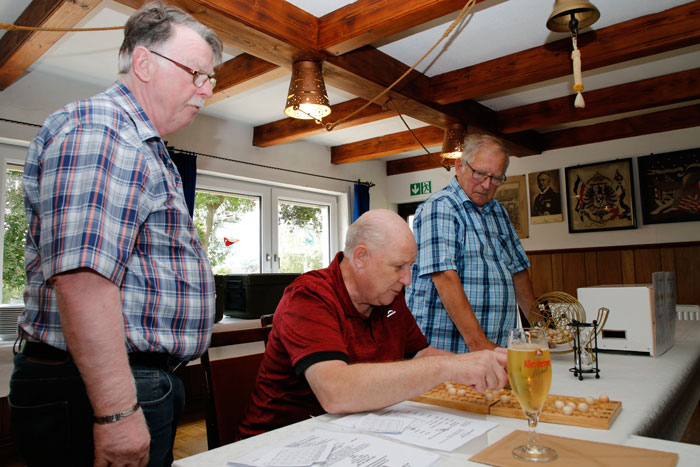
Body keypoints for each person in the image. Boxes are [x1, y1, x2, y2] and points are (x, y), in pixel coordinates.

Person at [9, 3, 222, 466]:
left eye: (210, 78)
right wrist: (116, 413)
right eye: (196, 73)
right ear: (143, 62)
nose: (206, 89)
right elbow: (83, 280)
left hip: (131, 381)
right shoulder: (104, 130)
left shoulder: (141, 143)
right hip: (101, 390)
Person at [237, 209, 508, 438]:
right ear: (361, 257)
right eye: (399, 266)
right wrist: (449, 367)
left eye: (410, 267)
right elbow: (336, 392)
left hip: (355, 435)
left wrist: (479, 363)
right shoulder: (309, 296)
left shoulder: (388, 297)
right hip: (280, 443)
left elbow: (420, 354)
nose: (407, 280)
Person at [406, 134, 537, 354]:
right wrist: (480, 345)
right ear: (460, 166)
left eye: (496, 178)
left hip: (495, 348)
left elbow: (518, 271)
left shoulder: (498, 211)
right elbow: (445, 277)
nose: (487, 185)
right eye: (480, 174)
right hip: (449, 350)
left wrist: (541, 328)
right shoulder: (441, 207)